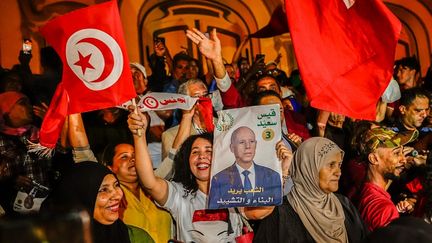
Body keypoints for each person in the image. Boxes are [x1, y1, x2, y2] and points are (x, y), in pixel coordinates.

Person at [128, 109, 293, 242]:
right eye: (195, 152)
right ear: (187, 161)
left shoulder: (233, 193)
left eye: (209, 151)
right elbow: (149, 182)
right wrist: (139, 135)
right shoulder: (179, 195)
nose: (202, 157)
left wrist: (284, 172)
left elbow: (262, 211)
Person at [254, 137, 367, 243]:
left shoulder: (344, 205)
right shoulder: (280, 214)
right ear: (308, 168)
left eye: (339, 165)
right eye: (331, 165)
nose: (338, 172)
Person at [42, 161, 154, 243]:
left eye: (116, 185)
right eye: (104, 190)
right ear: (81, 199)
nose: (117, 195)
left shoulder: (137, 238)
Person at [209, 126, 282, 208]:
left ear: (256, 144)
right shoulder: (219, 179)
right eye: (242, 142)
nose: (248, 146)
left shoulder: (273, 176)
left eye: (251, 141)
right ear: (232, 148)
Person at [356, 127, 414, 231]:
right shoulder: (383, 208)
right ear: (374, 159)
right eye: (396, 153)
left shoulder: (364, 191)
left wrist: (396, 211)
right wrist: (390, 214)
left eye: (402, 152)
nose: (404, 160)